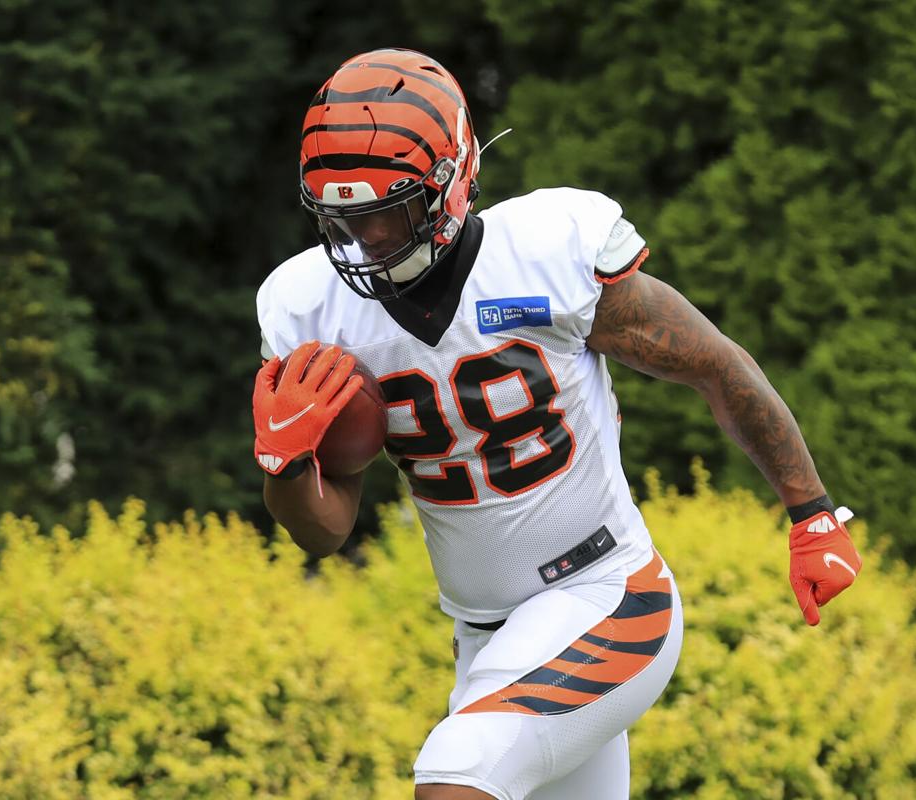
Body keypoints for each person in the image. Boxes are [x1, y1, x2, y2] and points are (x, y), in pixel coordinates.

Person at [249, 48, 862, 800]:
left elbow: (715, 364)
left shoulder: (545, 255)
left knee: (454, 777)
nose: (369, 238)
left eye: (389, 209)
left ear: (454, 180)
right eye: (347, 216)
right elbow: (325, 530)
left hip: (606, 592)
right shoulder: (308, 309)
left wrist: (812, 514)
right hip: (485, 638)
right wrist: (283, 465)